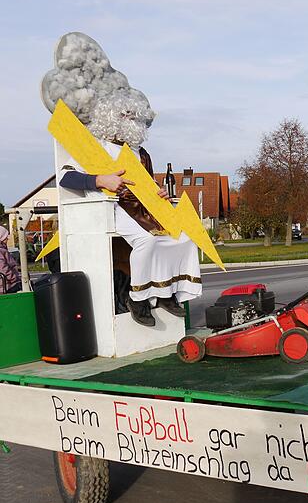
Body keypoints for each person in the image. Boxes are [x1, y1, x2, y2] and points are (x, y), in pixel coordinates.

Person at [57, 90, 201, 327]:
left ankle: (165, 293)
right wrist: (101, 180)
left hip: (146, 209)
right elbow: (65, 177)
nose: (131, 121)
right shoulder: (96, 148)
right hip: (113, 208)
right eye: (125, 115)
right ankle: (138, 298)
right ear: (110, 117)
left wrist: (160, 192)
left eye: (135, 117)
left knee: (185, 238)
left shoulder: (141, 153)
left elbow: (148, 184)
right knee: (148, 241)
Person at [0, 226, 22, 294]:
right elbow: (3, 268)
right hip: (7, 285)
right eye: (5, 237)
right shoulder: (1, 251)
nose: (7, 238)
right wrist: (14, 278)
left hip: (7, 283)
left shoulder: (2, 249)